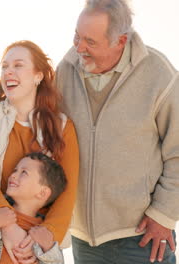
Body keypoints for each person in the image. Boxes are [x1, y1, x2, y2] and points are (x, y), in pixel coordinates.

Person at [56, 0, 179, 263]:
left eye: (90, 42)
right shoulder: (66, 69)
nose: (79, 48)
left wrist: (164, 215)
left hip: (143, 236)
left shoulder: (158, 74)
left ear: (120, 41)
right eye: (77, 37)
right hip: (84, 239)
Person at [0, 40, 79, 263]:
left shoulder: (63, 127)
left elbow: (68, 191)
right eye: (4, 66)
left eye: (18, 65)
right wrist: (9, 227)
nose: (9, 71)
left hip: (40, 246)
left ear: (38, 75)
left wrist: (45, 236)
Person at [0, 152, 67, 264]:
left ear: (43, 193)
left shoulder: (43, 234)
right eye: (15, 170)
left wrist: (49, 249)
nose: (13, 175)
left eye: (24, 172)